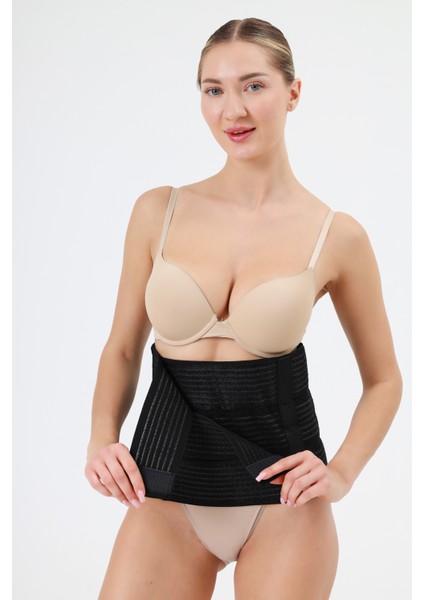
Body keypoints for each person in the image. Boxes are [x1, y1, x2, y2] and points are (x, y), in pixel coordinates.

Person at [84, 17, 402, 600]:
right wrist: (101, 437)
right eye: (214, 90)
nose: (233, 110)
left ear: (293, 92)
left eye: (254, 85)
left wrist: (342, 472)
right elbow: (123, 347)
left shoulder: (336, 237)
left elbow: (384, 379)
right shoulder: (158, 212)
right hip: (167, 486)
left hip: (284, 500)